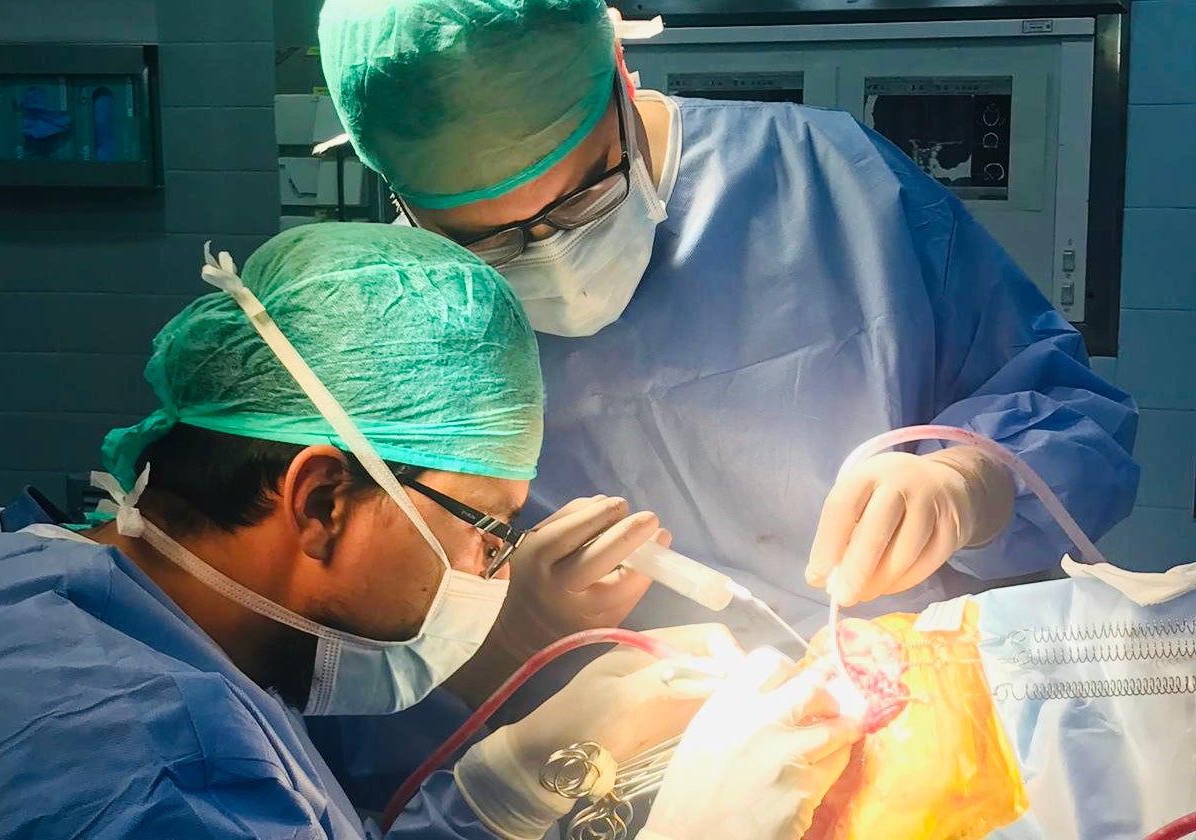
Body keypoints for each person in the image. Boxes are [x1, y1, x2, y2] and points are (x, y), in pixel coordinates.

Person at [0, 223, 861, 840]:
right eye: (491, 528)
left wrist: (507, 789)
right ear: (322, 501)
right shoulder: (153, 776)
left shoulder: (58, 594)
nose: (495, 567)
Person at [317, 0, 1141, 636]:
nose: (549, 256)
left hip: (910, 708)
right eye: (485, 239)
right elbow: (371, 633)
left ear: (619, 73)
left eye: (583, 197)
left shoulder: (830, 179)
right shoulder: (403, 325)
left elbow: (1074, 415)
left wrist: (970, 481)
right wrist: (509, 615)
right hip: (618, 771)